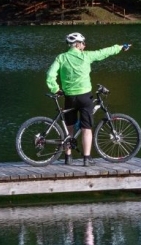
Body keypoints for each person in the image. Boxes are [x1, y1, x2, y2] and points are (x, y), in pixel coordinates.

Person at [46, 32, 130, 166]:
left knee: (69, 127)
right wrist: (120, 47)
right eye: (83, 43)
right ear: (78, 44)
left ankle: (68, 158)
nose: (85, 45)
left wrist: (55, 89)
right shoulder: (86, 56)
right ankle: (86, 159)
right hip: (85, 97)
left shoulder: (61, 58)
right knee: (86, 128)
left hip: (69, 97)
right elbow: (103, 52)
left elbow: (50, 75)